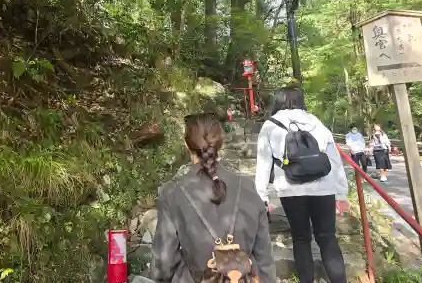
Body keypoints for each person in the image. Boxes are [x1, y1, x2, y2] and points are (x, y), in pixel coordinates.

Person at [150, 113, 276, 283]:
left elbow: (163, 265)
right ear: (220, 143)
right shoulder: (247, 186)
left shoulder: (172, 192)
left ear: (187, 145)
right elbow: (265, 258)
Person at [255, 87, 349, 283]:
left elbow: (264, 163)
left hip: (290, 189)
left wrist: (262, 196)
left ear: (278, 101)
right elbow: (334, 159)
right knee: (327, 237)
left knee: (301, 238)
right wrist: (341, 194)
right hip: (324, 187)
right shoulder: (316, 122)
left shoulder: (270, 126)